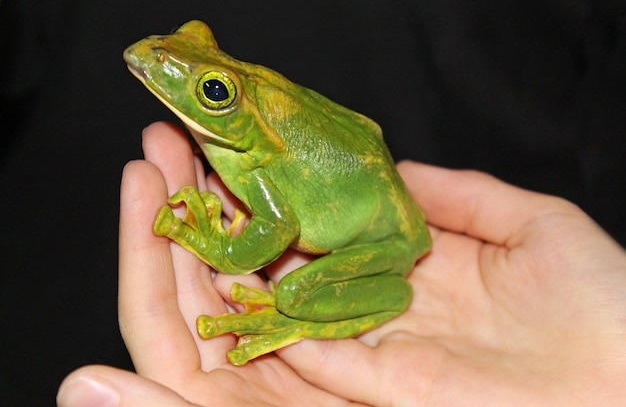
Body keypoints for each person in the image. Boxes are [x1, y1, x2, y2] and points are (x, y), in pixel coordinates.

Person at [57, 121, 626, 407]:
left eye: (213, 92)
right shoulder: (246, 151)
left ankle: (298, 318)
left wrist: (220, 247)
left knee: (294, 295)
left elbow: (277, 228)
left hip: (382, 246)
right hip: (374, 203)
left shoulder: (256, 161)